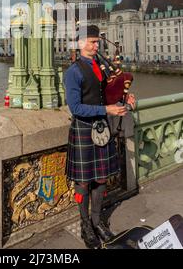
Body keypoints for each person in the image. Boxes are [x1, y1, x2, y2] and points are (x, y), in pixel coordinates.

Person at [64, 25, 136, 249]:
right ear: (80, 43)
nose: (96, 46)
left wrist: (126, 100)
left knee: (102, 178)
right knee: (84, 182)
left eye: (97, 42)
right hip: (84, 129)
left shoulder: (101, 67)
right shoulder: (73, 72)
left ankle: (97, 221)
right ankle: (85, 224)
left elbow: (111, 92)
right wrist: (107, 110)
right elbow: (75, 108)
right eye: (92, 42)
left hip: (101, 128)